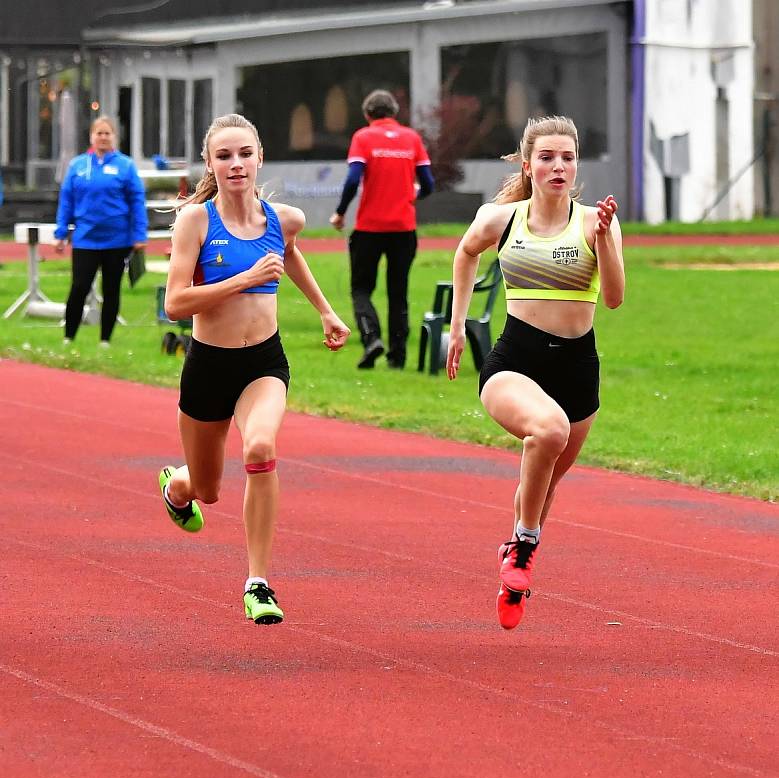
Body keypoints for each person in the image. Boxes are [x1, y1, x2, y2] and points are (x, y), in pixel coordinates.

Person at [158, 113, 350, 625]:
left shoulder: (283, 219)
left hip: (263, 362)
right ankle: (178, 486)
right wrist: (243, 279)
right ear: (210, 164)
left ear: (260, 157)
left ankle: (258, 582)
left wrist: (326, 310)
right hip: (208, 367)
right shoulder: (196, 222)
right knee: (208, 490)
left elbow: (290, 255)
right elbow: (176, 303)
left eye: (245, 154)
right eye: (224, 156)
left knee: (261, 448)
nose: (236, 164)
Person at [446, 116, 624, 630]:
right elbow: (464, 252)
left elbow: (613, 299)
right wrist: (458, 327)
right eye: (547, 157)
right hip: (514, 363)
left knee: (544, 483)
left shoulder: (595, 223)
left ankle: (513, 565)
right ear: (528, 165)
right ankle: (524, 545)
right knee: (548, 431)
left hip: (577, 368)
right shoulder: (501, 219)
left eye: (567, 157)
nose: (558, 166)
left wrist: (607, 240)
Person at [329, 89, 434, 369]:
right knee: (398, 293)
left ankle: (371, 338)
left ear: (367, 115)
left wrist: (340, 213)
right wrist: (411, 196)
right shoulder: (412, 138)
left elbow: (353, 180)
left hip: (370, 229)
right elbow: (429, 183)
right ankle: (397, 357)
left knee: (361, 288)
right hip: (404, 228)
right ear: (394, 113)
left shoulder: (363, 137)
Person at [54, 116, 147, 346]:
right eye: (99, 133)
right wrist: (60, 232)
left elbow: (137, 201)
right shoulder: (77, 166)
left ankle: (105, 340)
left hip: (117, 240)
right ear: (91, 136)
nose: (103, 137)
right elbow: (66, 200)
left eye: (107, 133)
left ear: (114, 137)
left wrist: (139, 235)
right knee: (79, 288)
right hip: (85, 239)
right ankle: (69, 337)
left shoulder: (126, 166)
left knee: (111, 289)